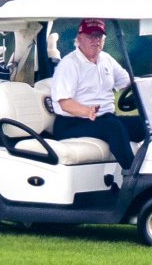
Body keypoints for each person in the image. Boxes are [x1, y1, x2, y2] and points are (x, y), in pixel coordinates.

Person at [50, 18, 146, 171]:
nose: (96, 41)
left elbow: (127, 82)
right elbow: (64, 103)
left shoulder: (106, 59)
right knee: (113, 127)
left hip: (104, 119)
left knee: (146, 123)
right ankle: (133, 176)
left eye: (99, 37)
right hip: (72, 123)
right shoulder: (69, 64)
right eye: (91, 36)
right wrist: (87, 111)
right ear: (80, 38)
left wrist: (151, 86)